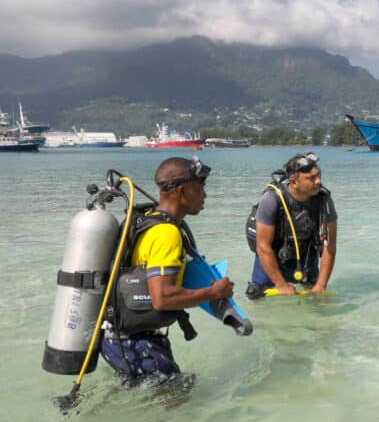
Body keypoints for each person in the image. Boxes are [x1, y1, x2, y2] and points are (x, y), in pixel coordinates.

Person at [100, 156, 234, 382]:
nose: (205, 194)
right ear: (182, 190)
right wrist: (215, 292)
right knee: (180, 407)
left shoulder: (148, 220)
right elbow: (163, 298)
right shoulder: (166, 233)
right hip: (137, 344)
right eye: (200, 186)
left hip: (117, 340)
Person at [245, 152, 337, 298]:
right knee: (257, 298)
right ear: (293, 182)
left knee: (318, 302)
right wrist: (281, 286)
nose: (318, 181)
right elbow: (263, 247)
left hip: (305, 258)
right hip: (272, 256)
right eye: (311, 178)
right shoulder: (271, 199)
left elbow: (329, 247)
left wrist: (321, 285)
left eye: (319, 175)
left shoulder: (324, 200)